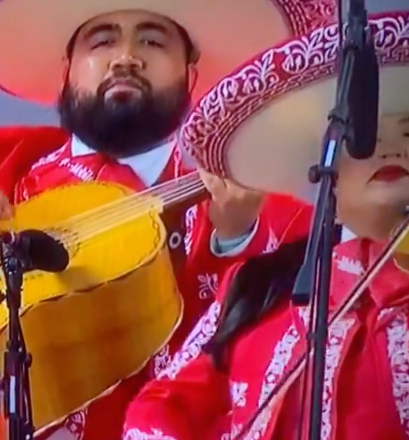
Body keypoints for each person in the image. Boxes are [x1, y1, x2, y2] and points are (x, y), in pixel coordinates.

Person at [0, 1, 328, 438]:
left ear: (191, 73)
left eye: (152, 42)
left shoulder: (265, 218)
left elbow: (268, 374)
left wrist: (235, 241)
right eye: (102, 41)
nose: (125, 58)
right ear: (68, 67)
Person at [123, 12, 409, 439]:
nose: (389, 149)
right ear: (318, 165)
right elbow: (163, 404)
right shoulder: (261, 283)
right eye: (363, 137)